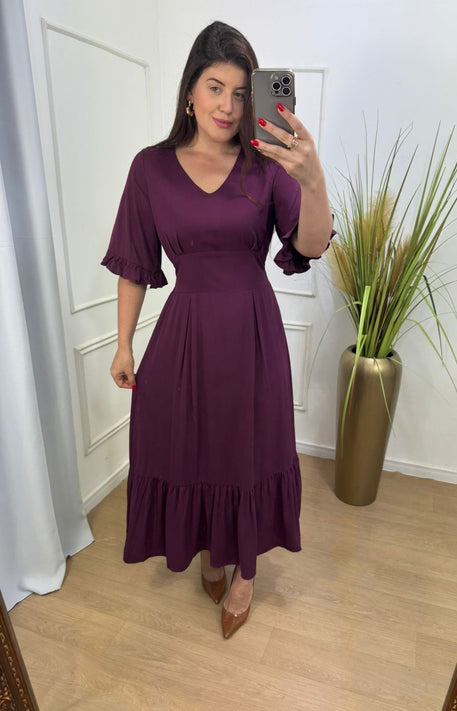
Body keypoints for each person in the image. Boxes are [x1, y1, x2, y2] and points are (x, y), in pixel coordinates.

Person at [101, 21, 333, 639]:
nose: (228, 106)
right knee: (190, 446)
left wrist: (312, 178)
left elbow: (310, 245)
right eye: (214, 88)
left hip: (252, 334)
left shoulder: (267, 166)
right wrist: (123, 343)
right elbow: (133, 263)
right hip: (183, 335)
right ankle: (210, 548)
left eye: (241, 93)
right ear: (190, 92)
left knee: (247, 451)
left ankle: (246, 572)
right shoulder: (150, 168)